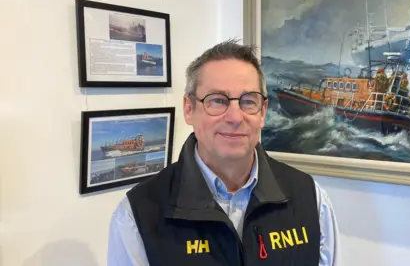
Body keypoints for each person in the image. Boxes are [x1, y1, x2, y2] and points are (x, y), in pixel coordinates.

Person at [107, 39, 340, 266]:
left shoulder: (311, 201)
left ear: (263, 112)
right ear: (189, 109)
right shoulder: (137, 216)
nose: (235, 117)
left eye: (248, 101)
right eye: (217, 100)